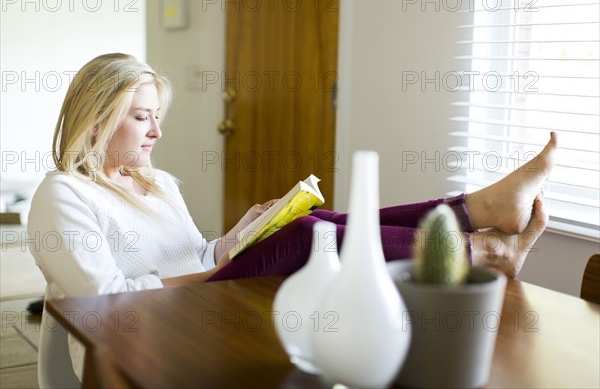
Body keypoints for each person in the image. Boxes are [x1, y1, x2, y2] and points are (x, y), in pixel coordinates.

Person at [27, 53, 556, 381]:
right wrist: (221, 269)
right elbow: (101, 302)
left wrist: (235, 240)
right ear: (96, 122)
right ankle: (482, 243)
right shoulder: (64, 196)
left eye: (156, 118)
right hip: (135, 337)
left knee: (312, 219)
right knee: (311, 236)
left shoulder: (157, 183)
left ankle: (478, 212)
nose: (156, 133)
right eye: (142, 118)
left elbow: (192, 254)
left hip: (194, 308)